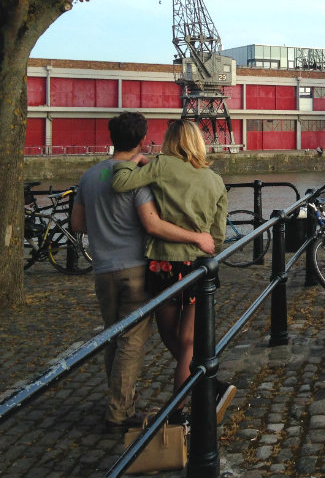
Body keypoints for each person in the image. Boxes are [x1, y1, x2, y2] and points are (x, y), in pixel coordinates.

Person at [71, 112, 216, 429]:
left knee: (114, 337)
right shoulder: (147, 177)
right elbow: (153, 223)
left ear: (111, 138)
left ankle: (124, 399)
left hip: (103, 268)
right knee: (133, 342)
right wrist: (197, 237)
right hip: (137, 267)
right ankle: (121, 410)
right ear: (141, 140)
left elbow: (78, 224)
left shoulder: (90, 176)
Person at [111, 119, 229, 424]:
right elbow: (218, 234)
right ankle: (191, 396)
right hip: (199, 266)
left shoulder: (161, 165)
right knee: (189, 341)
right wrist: (205, 245)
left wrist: (133, 162)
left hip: (164, 262)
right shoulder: (215, 180)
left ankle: (182, 403)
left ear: (170, 141)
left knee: (168, 334)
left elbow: (120, 183)